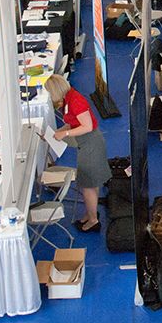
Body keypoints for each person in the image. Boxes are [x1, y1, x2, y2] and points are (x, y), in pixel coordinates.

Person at [45, 74, 109, 232]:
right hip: (86, 143)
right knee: (90, 182)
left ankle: (93, 221)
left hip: (90, 143)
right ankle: (90, 213)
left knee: (88, 185)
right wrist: (59, 131)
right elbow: (72, 122)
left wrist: (65, 134)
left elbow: (87, 126)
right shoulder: (69, 98)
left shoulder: (75, 101)